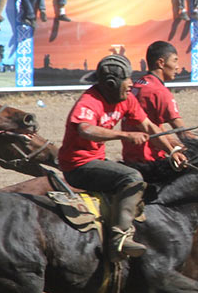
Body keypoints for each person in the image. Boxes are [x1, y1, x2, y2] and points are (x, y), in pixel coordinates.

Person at [59, 54, 186, 262]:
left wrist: (172, 151)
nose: (131, 85)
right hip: (77, 166)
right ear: (111, 84)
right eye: (127, 80)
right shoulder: (89, 102)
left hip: (96, 161)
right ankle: (120, 236)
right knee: (132, 177)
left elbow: (149, 127)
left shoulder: (127, 99)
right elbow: (85, 129)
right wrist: (124, 135)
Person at [123, 41, 186, 165]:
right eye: (175, 61)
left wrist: (174, 144)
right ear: (161, 63)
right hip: (150, 160)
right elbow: (183, 132)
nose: (177, 66)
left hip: (130, 156)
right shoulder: (159, 92)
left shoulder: (139, 84)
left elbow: (153, 125)